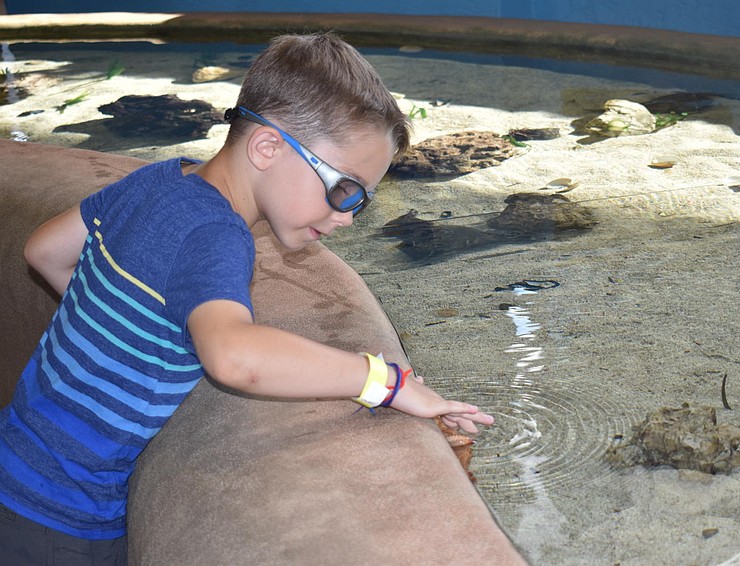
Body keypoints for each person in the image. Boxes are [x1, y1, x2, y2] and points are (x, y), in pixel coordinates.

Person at [0, 33, 494, 565]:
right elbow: (235, 357)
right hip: (64, 517)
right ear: (267, 147)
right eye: (344, 188)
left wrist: (122, 326)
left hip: (14, 463)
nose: (349, 215)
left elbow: (45, 250)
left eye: (362, 201)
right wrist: (386, 383)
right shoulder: (215, 236)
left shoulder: (155, 182)